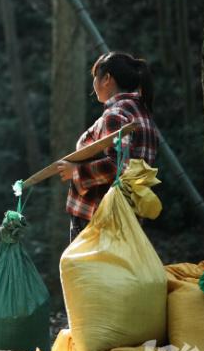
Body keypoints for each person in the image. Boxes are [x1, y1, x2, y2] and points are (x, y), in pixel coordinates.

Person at [54, 52, 159, 242]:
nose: (93, 83)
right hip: (128, 217)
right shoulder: (143, 115)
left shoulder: (115, 115)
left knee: (88, 271)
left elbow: (118, 165)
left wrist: (76, 172)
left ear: (107, 79)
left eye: (95, 76)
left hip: (99, 217)